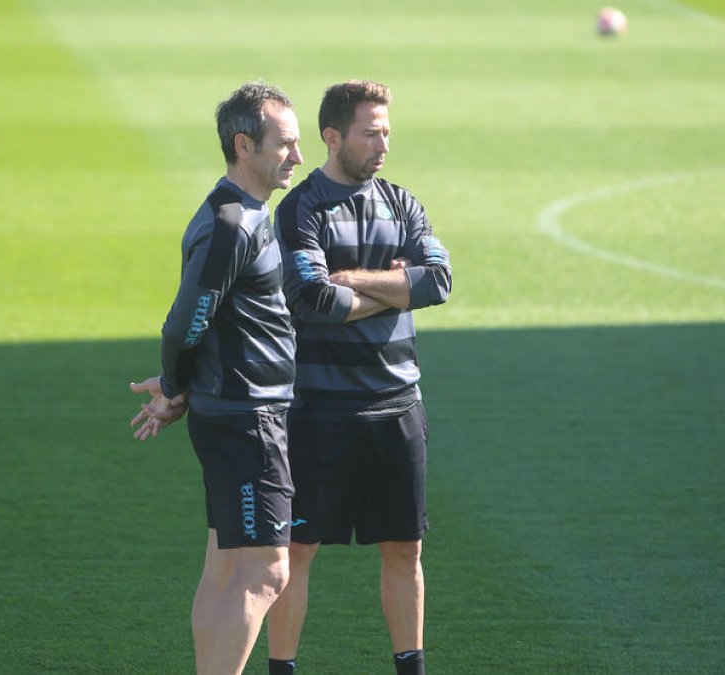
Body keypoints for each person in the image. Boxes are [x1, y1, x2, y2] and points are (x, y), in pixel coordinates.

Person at [265, 80, 452, 675]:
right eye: (371, 133)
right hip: (317, 412)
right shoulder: (300, 208)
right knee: (296, 551)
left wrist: (356, 281)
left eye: (387, 132)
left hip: (398, 406)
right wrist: (396, 288)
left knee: (406, 548)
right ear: (332, 137)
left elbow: (439, 282)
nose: (383, 145)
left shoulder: (403, 203)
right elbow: (315, 300)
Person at [128, 81, 303, 675]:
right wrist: (176, 385)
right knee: (266, 571)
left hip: (239, 412)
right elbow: (185, 322)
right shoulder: (232, 223)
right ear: (244, 144)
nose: (297, 158)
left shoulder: (247, 213)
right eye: (286, 144)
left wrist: (182, 387)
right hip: (247, 419)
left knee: (227, 567)